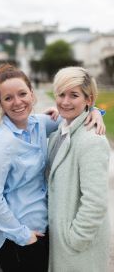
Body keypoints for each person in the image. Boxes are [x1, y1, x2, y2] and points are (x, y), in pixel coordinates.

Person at [0, 63, 105, 272]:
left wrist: (96, 112)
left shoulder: (39, 124)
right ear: (1, 104)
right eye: (8, 98)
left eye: (22, 94)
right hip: (18, 238)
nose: (17, 102)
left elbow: (73, 117)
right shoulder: (1, 144)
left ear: (32, 94)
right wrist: (22, 235)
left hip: (41, 232)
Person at [47, 67, 110, 272]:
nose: (65, 102)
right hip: (59, 244)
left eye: (73, 95)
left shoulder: (92, 140)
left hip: (77, 251)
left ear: (88, 99)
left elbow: (95, 202)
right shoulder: (59, 132)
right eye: (61, 94)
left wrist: (75, 239)